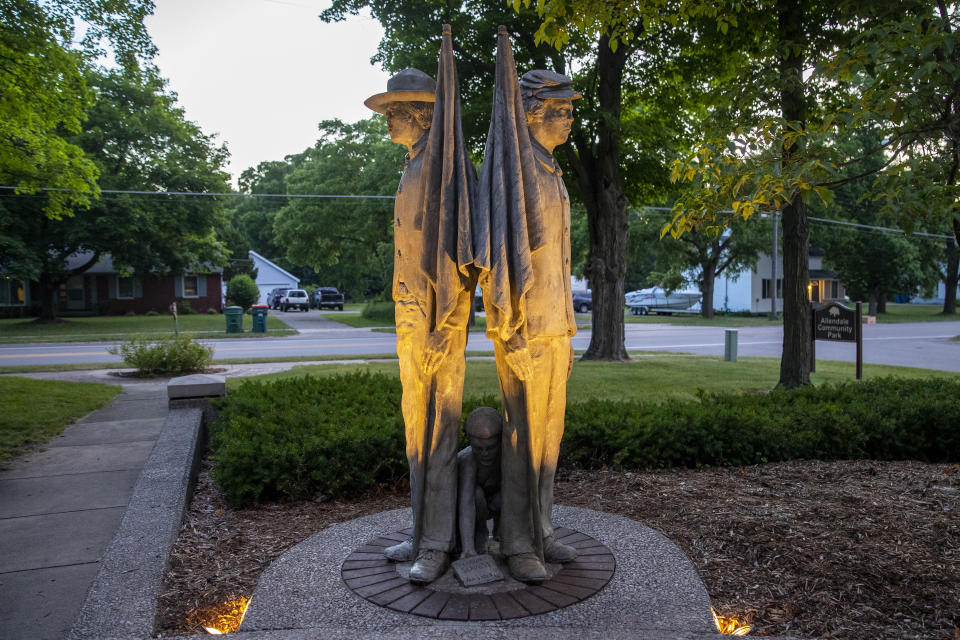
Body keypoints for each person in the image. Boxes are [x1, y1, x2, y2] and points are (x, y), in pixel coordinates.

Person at [364, 67, 474, 583]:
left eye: (395, 112)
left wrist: (445, 324)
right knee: (416, 426)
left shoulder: (446, 169)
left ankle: (437, 543)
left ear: (423, 114)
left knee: (439, 430)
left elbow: (465, 255)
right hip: (411, 316)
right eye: (388, 111)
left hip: (439, 321)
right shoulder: (413, 166)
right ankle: (420, 529)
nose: (387, 120)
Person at [476, 55, 581, 582]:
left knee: (548, 441)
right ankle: (515, 542)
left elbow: (558, 260)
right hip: (522, 330)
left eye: (568, 109)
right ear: (532, 112)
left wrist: (569, 329)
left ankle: (541, 528)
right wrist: (506, 329)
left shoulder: (550, 170)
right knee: (521, 441)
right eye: (560, 109)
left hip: (554, 327)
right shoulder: (511, 177)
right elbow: (493, 257)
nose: (568, 119)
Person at [457, 407, 503, 559]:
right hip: (478, 503)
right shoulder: (467, 460)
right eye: (478, 448)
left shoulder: (508, 455)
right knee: (476, 495)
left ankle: (501, 530)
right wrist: (468, 549)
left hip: (497, 497)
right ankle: (480, 533)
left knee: (506, 495)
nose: (484, 453)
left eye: (490, 448)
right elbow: (466, 502)